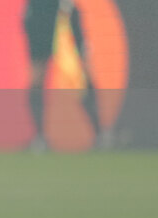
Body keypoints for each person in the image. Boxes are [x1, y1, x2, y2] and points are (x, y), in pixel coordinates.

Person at [24, 0, 103, 150]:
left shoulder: (66, 7)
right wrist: (35, 51)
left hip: (66, 33)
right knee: (36, 84)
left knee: (81, 82)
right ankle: (39, 136)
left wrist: (81, 46)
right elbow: (29, 24)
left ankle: (100, 134)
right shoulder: (35, 6)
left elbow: (75, 21)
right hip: (42, 37)